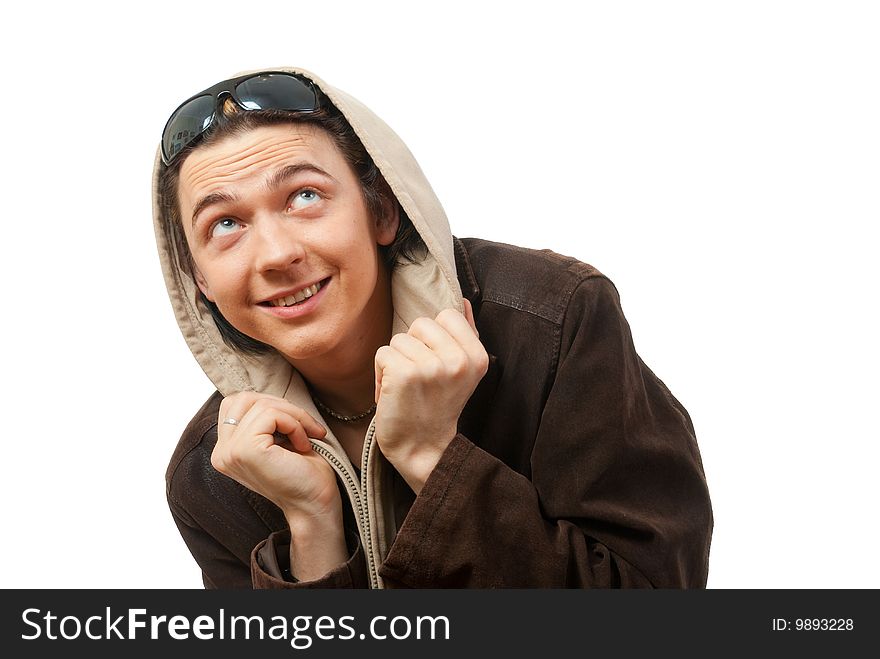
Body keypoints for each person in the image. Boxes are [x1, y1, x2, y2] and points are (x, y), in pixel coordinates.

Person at [153, 67, 713, 589]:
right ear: (198, 279)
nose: (276, 254)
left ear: (382, 211)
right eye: (225, 224)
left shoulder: (552, 322)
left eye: (305, 196)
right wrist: (311, 526)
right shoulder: (214, 473)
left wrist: (432, 457)